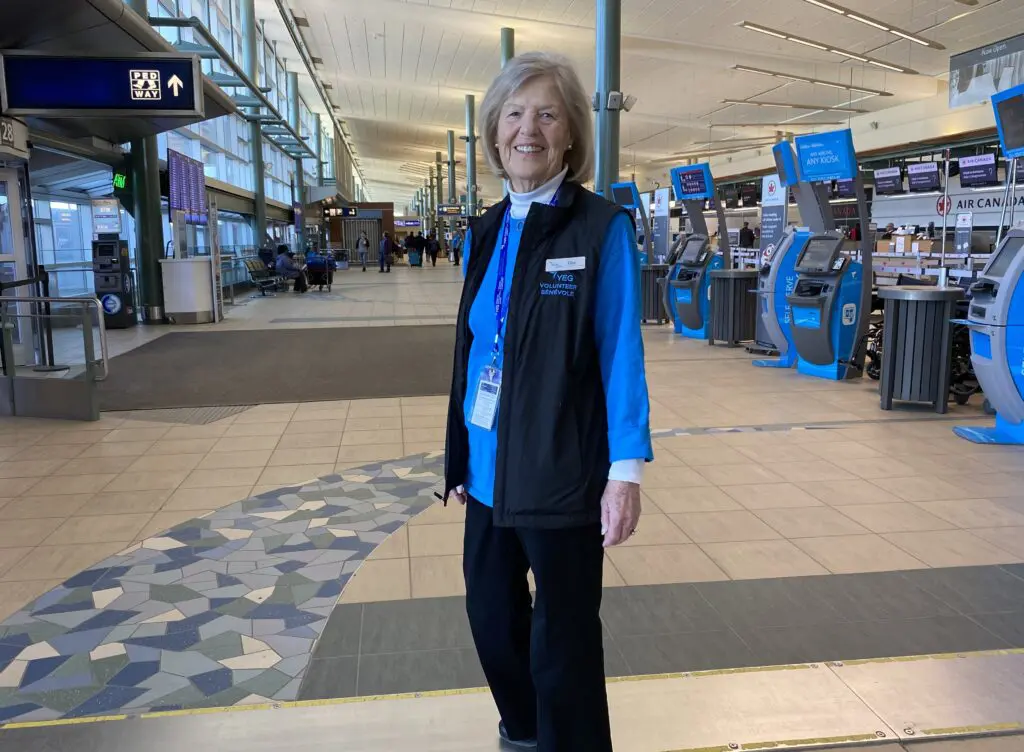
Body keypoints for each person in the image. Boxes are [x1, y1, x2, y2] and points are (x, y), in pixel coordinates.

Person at [443, 52, 653, 752]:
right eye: (512, 114)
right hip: (488, 472)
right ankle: (527, 734)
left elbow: (622, 351)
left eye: (546, 113)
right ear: (494, 132)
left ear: (570, 135)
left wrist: (625, 473)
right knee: (491, 618)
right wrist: (459, 457)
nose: (526, 128)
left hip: (564, 472)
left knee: (563, 640)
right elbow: (478, 351)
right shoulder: (484, 230)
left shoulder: (599, 228)